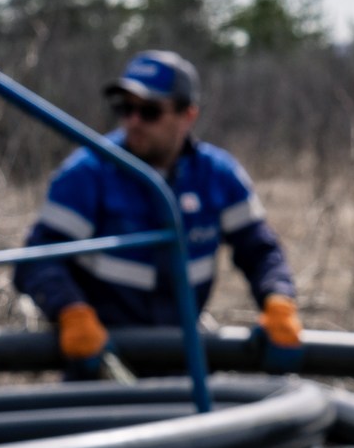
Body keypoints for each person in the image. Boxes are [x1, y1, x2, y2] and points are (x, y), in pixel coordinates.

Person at [17, 49, 303, 373]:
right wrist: (71, 312)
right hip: (102, 364)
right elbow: (38, 260)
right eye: (125, 109)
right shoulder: (87, 173)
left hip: (185, 360)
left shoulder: (218, 176)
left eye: (149, 111)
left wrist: (279, 302)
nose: (133, 121)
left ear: (188, 116)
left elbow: (260, 250)